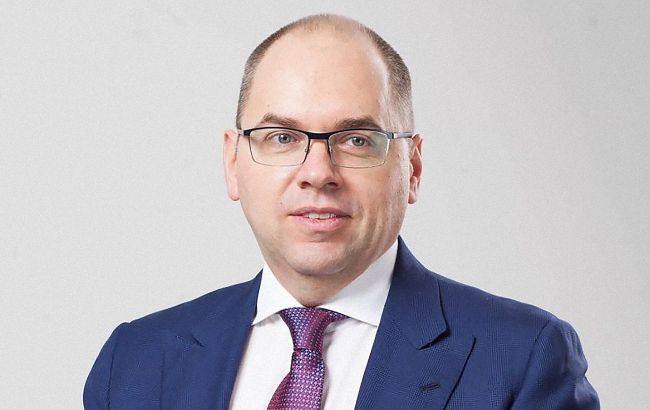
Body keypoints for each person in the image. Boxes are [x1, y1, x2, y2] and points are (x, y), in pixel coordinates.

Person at [84, 14, 599, 409]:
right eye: (282, 137)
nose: (318, 172)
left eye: (356, 139)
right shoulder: (135, 363)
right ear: (233, 163)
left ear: (412, 168)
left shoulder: (522, 358)